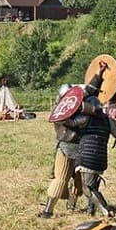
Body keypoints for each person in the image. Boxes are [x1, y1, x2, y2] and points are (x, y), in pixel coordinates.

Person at [74, 62, 116, 217]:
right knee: (93, 184)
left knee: (88, 188)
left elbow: (70, 122)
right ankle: (91, 210)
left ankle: (105, 209)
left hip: (87, 158)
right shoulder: (107, 119)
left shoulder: (84, 119)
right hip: (101, 160)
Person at [39, 84, 86, 219]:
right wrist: (82, 119)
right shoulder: (59, 112)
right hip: (66, 147)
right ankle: (48, 211)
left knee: (80, 182)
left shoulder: (78, 111)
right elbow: (68, 121)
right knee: (60, 180)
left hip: (80, 147)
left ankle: (72, 205)